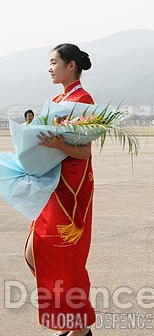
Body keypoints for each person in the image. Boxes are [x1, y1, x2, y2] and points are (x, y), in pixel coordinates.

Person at [25, 44, 95, 336]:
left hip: (72, 188)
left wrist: (58, 145)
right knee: (35, 253)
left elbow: (84, 151)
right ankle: (71, 318)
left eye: (54, 62)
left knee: (65, 256)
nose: (50, 68)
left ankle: (78, 327)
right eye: (49, 63)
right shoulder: (56, 100)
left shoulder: (83, 99)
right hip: (51, 183)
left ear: (71, 65)